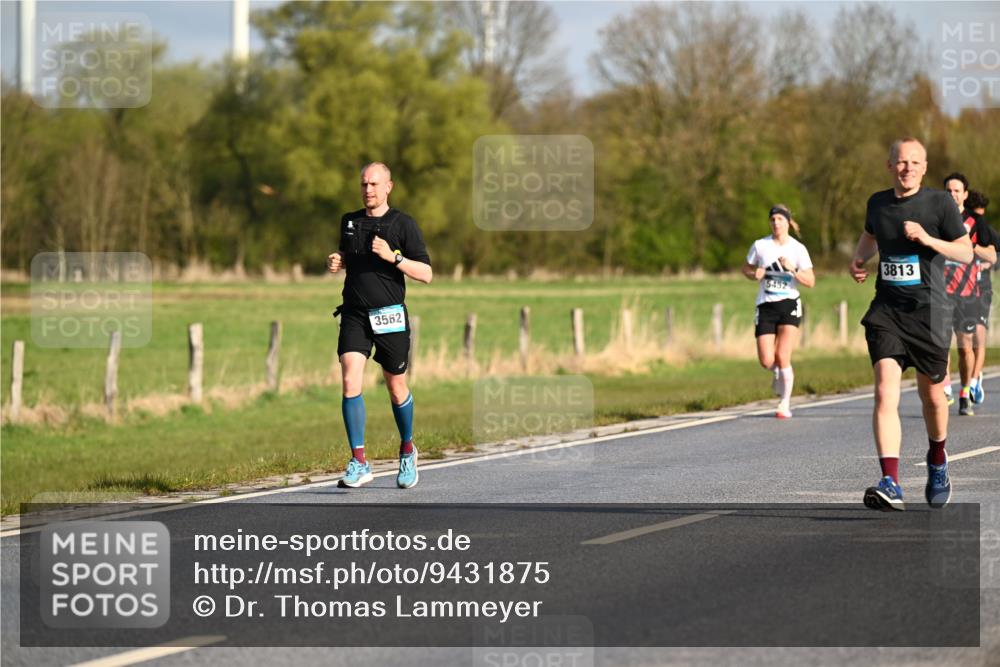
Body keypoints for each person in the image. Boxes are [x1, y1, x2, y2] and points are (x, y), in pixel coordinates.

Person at [849, 138, 972, 511]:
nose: (908, 168)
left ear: (925, 166)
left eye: (915, 162)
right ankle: (891, 481)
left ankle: (938, 458)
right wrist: (859, 259)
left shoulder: (940, 203)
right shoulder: (878, 203)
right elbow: (870, 235)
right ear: (890, 165)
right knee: (884, 391)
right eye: (902, 162)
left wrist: (928, 239)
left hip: (930, 313)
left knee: (932, 397)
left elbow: (965, 252)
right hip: (887, 310)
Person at [327, 162, 433, 489]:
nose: (368, 190)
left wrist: (394, 257)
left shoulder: (403, 224)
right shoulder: (350, 221)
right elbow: (349, 257)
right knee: (349, 380)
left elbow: (427, 274)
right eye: (364, 184)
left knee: (396, 386)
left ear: (389, 187)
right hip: (355, 314)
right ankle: (359, 461)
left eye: (374, 184)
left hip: (390, 315)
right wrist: (338, 260)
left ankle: (407, 450)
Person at [742, 204, 815, 419]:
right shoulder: (760, 246)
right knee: (767, 360)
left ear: (788, 223)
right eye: (772, 219)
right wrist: (754, 274)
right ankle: (777, 373)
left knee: (783, 356)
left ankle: (784, 403)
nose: (776, 223)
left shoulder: (798, 249)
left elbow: (810, 281)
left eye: (780, 219)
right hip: (766, 305)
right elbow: (746, 268)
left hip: (789, 304)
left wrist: (793, 269)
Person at [941, 175, 997, 416]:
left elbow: (992, 256)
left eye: (957, 190)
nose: (952, 194)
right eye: (948, 190)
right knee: (940, 344)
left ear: (965, 194)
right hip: (941, 292)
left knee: (965, 347)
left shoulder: (976, 222)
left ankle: (965, 391)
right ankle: (945, 388)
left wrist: (970, 246)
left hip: (967, 294)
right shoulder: (936, 219)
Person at [966, 190, 998, 404]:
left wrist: (987, 262)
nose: (980, 220)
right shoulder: (957, 228)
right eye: (976, 216)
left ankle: (975, 380)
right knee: (965, 340)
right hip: (960, 289)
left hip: (982, 288)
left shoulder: (987, 229)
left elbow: (995, 255)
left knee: (979, 334)